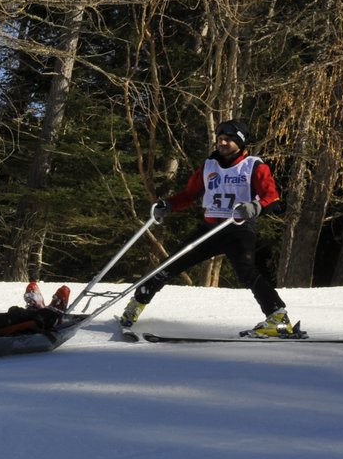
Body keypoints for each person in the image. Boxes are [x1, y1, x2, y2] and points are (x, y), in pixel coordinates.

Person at [121, 119, 293, 336]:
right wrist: (169, 204)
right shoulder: (209, 166)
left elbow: (273, 198)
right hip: (210, 229)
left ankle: (278, 318)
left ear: (239, 142)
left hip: (238, 229)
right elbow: (189, 194)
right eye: (220, 139)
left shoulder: (253, 166)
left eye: (228, 140)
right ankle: (135, 306)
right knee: (169, 265)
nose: (221, 143)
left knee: (247, 272)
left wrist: (256, 206)